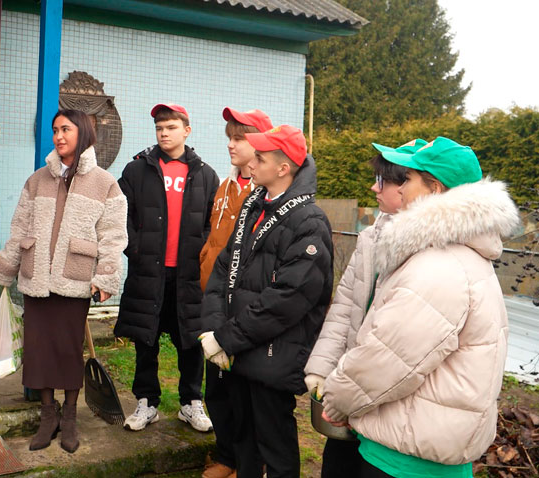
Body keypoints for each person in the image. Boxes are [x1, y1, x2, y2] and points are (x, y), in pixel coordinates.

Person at [322, 137, 520, 478]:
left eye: (409, 179)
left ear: (435, 188)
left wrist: (338, 399)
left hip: (407, 460)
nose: (400, 189)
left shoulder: (439, 265)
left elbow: (387, 359)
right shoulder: (460, 255)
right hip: (417, 443)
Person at [0, 109, 127, 453]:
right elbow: (19, 229)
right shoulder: (37, 180)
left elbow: (112, 235)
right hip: (36, 277)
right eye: (54, 130)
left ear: (83, 133)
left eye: (66, 129)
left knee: (67, 351)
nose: (58, 136)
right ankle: (48, 415)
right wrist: (4, 270)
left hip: (74, 279)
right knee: (38, 350)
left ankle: (70, 417)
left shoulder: (104, 183)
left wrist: (106, 276)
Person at [198, 125, 334, 477]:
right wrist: (215, 329)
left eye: (260, 157)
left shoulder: (309, 221)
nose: (251, 163)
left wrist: (226, 338)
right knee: (243, 434)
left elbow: (287, 299)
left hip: (273, 355)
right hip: (240, 350)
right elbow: (222, 270)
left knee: (274, 443)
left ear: (283, 168)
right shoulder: (254, 204)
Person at [303, 139, 426, 478]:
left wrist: (344, 396)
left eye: (383, 180)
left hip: (385, 407)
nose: (374, 187)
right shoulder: (371, 238)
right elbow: (344, 308)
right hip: (350, 387)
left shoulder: (430, 255)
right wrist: (321, 371)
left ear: (409, 186)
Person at [115, 103, 219, 433]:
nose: (164, 133)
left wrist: (199, 254)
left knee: (191, 340)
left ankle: (191, 402)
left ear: (186, 131)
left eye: (171, 127)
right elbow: (119, 216)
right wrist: (135, 249)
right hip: (148, 271)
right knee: (146, 340)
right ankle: (147, 402)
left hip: (187, 275)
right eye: (159, 128)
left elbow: (211, 224)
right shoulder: (137, 170)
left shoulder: (205, 174)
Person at [198, 107, 273, 478]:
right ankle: (226, 455)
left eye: (239, 137)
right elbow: (213, 239)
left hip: (245, 308)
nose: (231, 144)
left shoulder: (266, 194)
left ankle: (249, 464)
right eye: (229, 137)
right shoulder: (226, 185)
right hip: (215, 303)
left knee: (245, 396)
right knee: (217, 389)